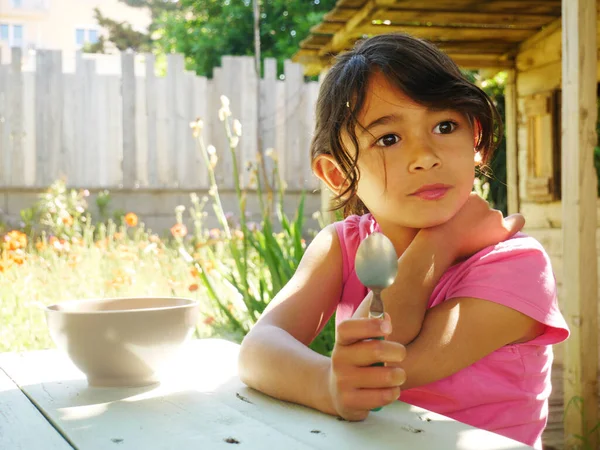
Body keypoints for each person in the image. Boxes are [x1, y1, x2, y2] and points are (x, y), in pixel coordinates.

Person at [238, 33, 569, 450]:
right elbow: (259, 348)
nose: (426, 155)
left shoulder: (516, 264)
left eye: (445, 126)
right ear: (338, 174)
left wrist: (441, 241)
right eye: (389, 139)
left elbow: (381, 364)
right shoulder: (342, 247)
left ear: (476, 141)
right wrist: (326, 383)